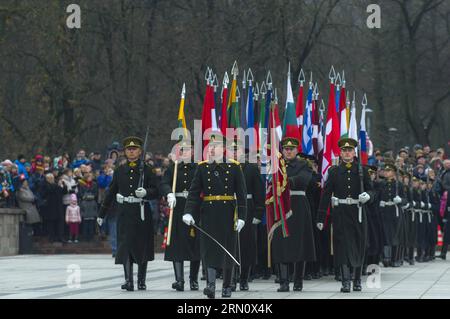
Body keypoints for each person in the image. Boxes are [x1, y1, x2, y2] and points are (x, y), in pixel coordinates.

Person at [183, 132, 247, 299]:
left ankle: (227, 286)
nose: (211, 149)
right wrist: (188, 212)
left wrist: (242, 216)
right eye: (209, 146)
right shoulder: (202, 167)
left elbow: (241, 194)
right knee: (209, 249)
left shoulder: (234, 167)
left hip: (228, 213)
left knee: (227, 249)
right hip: (209, 213)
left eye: (215, 146)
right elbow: (194, 192)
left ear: (224, 148)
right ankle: (210, 285)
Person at [97, 136, 160, 291]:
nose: (131, 152)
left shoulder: (147, 169)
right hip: (125, 212)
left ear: (140, 151)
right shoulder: (120, 171)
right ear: (125, 152)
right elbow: (111, 192)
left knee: (142, 246)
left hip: (141, 212)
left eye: (134, 149)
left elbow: (156, 190)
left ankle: (141, 280)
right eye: (128, 149)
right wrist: (102, 213)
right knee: (125, 247)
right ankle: (128, 280)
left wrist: (146, 192)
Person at [317, 137, 373, 293]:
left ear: (354, 153)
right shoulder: (334, 171)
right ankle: (346, 281)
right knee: (342, 248)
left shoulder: (362, 171)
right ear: (340, 153)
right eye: (344, 151)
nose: (347, 153)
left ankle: (356, 280)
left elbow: (372, 190)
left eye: (349, 150)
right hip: (341, 213)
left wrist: (368, 195)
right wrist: (321, 217)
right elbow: (326, 194)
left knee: (358, 246)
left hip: (358, 212)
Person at [270, 137, 317, 293]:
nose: (288, 151)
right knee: (280, 243)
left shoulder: (304, 164)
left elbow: (303, 180)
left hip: (298, 206)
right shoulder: (276, 166)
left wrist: (283, 180)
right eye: (285, 149)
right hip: (281, 206)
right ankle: (283, 281)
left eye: (291, 149)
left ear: (297, 150)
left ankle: (298, 280)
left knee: (299, 245)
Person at [160, 140, 201, 292]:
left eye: (188, 149)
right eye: (182, 150)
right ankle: (179, 280)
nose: (185, 152)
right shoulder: (173, 168)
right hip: (177, 209)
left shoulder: (198, 168)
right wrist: (169, 193)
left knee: (194, 244)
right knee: (176, 244)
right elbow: (163, 183)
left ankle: (193, 280)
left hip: (194, 209)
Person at [227, 140, 265, 292]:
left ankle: (244, 278)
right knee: (231, 245)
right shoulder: (226, 167)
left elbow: (259, 193)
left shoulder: (250, 168)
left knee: (246, 246)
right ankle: (232, 278)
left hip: (247, 210)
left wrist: (258, 213)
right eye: (232, 150)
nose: (235, 153)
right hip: (230, 208)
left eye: (237, 150)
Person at [79, 173, 98, 242]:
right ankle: (85, 237)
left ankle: (91, 237)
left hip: (92, 203)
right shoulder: (82, 184)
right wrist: (86, 197)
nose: (91, 178)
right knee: (85, 222)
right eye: (89, 177)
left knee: (92, 222)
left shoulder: (94, 184)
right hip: (85, 204)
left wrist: (90, 197)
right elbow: (81, 194)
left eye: (91, 177)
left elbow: (95, 194)